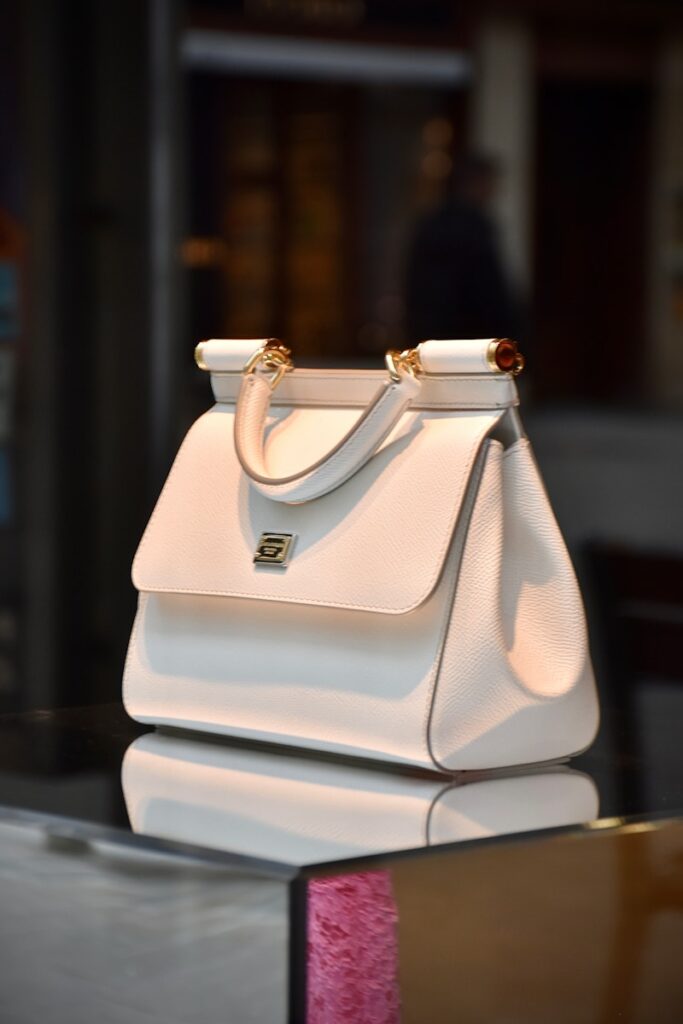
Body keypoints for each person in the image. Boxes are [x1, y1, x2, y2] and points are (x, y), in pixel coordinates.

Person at [405, 154, 524, 342]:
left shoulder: (432, 222)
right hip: (468, 335)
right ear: (474, 183)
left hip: (436, 331)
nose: (494, 190)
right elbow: (486, 288)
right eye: (489, 183)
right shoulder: (470, 225)